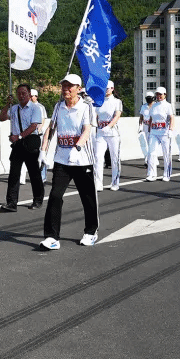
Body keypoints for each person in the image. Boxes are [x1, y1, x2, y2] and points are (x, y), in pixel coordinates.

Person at [38, 73, 99, 250]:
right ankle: (51, 237)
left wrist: (77, 147)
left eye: (69, 86)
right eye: (64, 85)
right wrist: (43, 150)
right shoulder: (58, 107)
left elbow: (87, 130)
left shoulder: (86, 107)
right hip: (62, 160)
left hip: (82, 160)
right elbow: (51, 129)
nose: (66, 89)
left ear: (78, 89)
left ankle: (91, 231)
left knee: (87, 197)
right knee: (55, 196)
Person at [0, 84, 45, 212]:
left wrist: (18, 136)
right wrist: (7, 104)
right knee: (14, 173)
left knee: (34, 172)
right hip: (17, 144)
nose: (21, 95)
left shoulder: (35, 108)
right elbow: (2, 118)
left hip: (29, 141)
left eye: (24, 93)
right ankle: (11, 203)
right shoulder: (14, 108)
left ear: (29, 94)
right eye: (19, 93)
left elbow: (34, 126)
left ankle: (38, 199)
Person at [93, 80, 123, 191]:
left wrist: (109, 126)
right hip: (100, 132)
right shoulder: (98, 102)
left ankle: (115, 182)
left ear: (112, 89)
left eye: (108, 88)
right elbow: (94, 116)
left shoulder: (117, 102)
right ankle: (98, 183)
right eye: (104, 89)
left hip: (113, 133)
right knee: (98, 157)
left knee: (115, 158)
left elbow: (117, 116)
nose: (106, 90)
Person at [146, 86, 174, 182]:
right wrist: (149, 131)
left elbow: (171, 118)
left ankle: (167, 174)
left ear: (165, 95)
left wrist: (171, 129)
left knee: (166, 154)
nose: (158, 96)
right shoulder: (153, 106)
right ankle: (151, 174)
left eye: (160, 94)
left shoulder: (168, 105)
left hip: (164, 132)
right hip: (154, 131)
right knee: (151, 153)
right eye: (157, 94)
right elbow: (150, 119)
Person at [32, 88, 50, 180]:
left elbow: (43, 119)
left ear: (36, 97)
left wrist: (39, 129)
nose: (31, 98)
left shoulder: (40, 107)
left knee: (41, 155)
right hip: (30, 134)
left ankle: (43, 176)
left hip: (39, 133)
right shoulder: (27, 106)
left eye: (32, 96)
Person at [138, 91, 155, 158]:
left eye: (150, 98)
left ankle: (152, 159)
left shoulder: (155, 106)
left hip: (153, 126)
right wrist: (140, 126)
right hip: (145, 125)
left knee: (153, 143)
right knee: (148, 142)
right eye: (147, 98)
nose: (148, 99)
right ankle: (149, 159)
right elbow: (141, 117)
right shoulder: (143, 106)